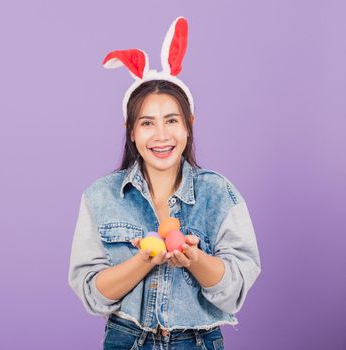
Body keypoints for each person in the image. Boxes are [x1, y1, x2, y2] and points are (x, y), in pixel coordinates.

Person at [68, 16, 261, 350]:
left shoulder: (218, 194)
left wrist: (194, 259)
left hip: (198, 342)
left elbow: (233, 293)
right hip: (125, 341)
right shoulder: (100, 196)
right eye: (147, 123)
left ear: (189, 125)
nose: (161, 136)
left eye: (171, 120)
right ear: (131, 130)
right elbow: (93, 296)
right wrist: (146, 258)